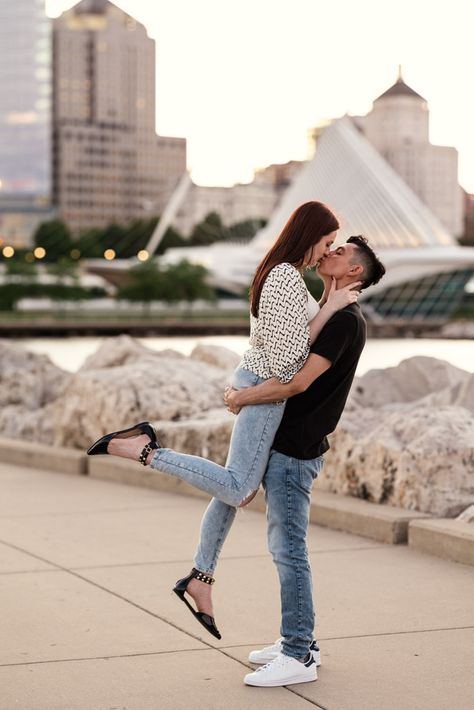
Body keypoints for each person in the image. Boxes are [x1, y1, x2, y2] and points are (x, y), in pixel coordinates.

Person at [87, 201, 359, 638]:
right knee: (239, 486)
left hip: (257, 380)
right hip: (265, 390)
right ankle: (143, 449)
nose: (326, 252)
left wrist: (331, 298)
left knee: (231, 488)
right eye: (326, 242)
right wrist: (330, 310)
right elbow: (290, 365)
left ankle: (200, 578)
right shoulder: (285, 277)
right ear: (309, 235)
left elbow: (291, 337)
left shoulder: (286, 275)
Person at [223, 235, 386, 687]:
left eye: (339, 252)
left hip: (296, 451)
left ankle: (297, 653)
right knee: (284, 549)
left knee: (289, 551)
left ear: (353, 272)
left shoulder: (345, 322)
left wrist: (240, 397)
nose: (327, 253)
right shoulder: (328, 313)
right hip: (289, 446)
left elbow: (295, 382)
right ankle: (298, 641)